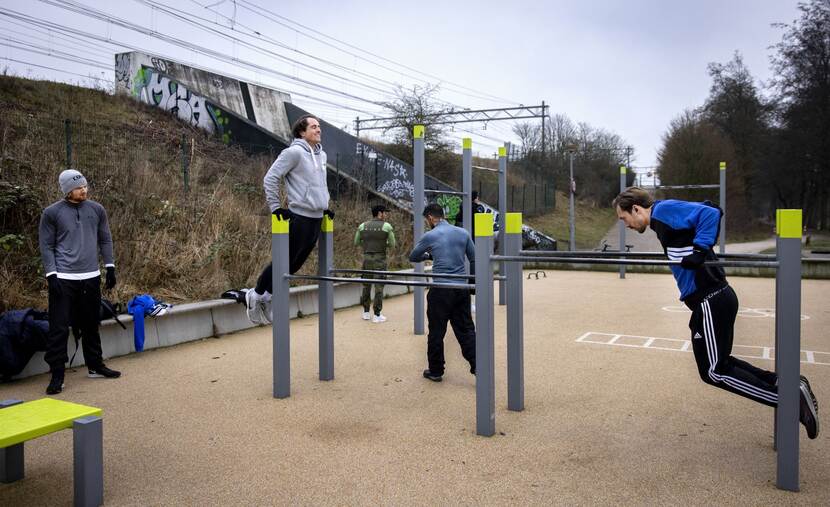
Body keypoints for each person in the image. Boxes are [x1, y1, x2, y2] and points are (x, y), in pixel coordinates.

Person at [613, 186, 820, 439]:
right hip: (710, 300)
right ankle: (785, 384)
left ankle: (789, 399)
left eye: (624, 219)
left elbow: (711, 213)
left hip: (710, 298)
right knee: (720, 363)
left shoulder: (662, 211)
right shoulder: (662, 221)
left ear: (636, 209)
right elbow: (708, 209)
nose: (627, 225)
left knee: (714, 370)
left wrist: (700, 249)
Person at [38, 169, 121, 395]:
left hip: (91, 277)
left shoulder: (96, 209)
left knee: (90, 324)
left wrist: (110, 267)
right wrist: (51, 274)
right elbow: (46, 246)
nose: (83, 190)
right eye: (78, 187)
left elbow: (105, 238)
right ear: (67, 190)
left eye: (84, 186)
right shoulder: (51, 213)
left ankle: (95, 365)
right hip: (64, 278)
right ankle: (57, 374)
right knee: (59, 328)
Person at [246, 114, 334, 324]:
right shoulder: (293, 152)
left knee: (294, 266)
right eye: (313, 127)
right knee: (284, 263)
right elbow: (271, 178)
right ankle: (256, 295)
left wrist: (325, 207)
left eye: (319, 126)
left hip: (316, 217)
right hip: (300, 216)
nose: (318, 129)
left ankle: (267, 296)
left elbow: (320, 184)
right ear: (302, 132)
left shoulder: (322, 156)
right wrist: (276, 208)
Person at [409, 203, 476, 382]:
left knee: (437, 332)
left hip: (441, 290)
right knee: (466, 330)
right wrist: (473, 284)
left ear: (430, 217)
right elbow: (474, 257)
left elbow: (413, 256)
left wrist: (429, 255)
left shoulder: (430, 235)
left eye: (426, 220)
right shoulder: (463, 233)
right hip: (461, 289)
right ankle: (479, 366)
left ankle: (436, 371)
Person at [354, 204, 396, 323]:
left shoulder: (362, 226)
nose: (386, 215)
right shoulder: (386, 226)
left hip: (367, 258)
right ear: (379, 213)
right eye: (385, 213)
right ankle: (377, 314)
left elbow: (356, 242)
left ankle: (366, 312)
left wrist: (367, 246)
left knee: (366, 285)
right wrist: (383, 244)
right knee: (379, 285)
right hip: (380, 259)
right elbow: (392, 244)